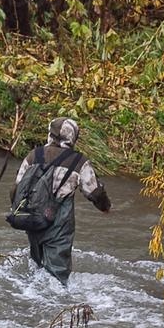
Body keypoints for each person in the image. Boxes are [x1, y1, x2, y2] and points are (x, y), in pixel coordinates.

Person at [13, 117, 111, 285]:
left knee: (36, 265)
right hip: (59, 221)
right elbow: (94, 192)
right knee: (57, 275)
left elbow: (17, 187)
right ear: (73, 137)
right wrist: (106, 207)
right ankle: (58, 304)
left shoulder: (33, 155)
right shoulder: (78, 162)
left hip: (32, 217)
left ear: (50, 134)